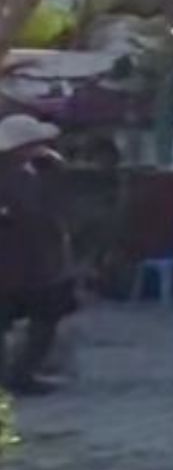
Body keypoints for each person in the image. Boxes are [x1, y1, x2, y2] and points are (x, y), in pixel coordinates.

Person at [0, 114, 79, 395]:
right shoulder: (12, 177)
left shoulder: (38, 172)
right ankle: (16, 375)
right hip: (16, 262)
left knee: (45, 317)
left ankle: (20, 373)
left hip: (36, 263)